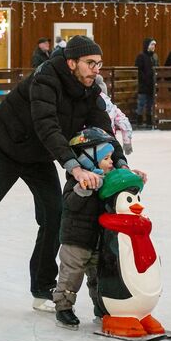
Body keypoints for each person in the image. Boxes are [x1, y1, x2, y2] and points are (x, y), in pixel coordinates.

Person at [0, 35, 144, 313]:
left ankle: (42, 287)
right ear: (72, 62)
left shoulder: (90, 92)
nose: (95, 69)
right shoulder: (45, 79)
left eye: (98, 64)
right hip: (4, 150)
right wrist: (73, 166)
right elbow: (46, 126)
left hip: (38, 158)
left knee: (55, 214)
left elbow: (104, 134)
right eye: (90, 63)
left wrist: (121, 164)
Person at [53, 127, 115, 329]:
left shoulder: (107, 180)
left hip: (97, 241)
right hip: (75, 241)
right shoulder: (76, 181)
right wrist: (83, 189)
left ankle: (102, 309)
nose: (111, 162)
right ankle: (63, 308)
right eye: (106, 158)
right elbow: (69, 205)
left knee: (99, 277)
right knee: (71, 276)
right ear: (90, 159)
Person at [95, 74, 133, 155]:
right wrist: (127, 142)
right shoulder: (111, 106)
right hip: (109, 142)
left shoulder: (83, 101)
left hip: (88, 143)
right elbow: (124, 121)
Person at [135, 38, 159, 128]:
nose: (153, 47)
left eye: (154, 45)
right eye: (152, 45)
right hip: (143, 84)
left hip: (152, 85)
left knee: (150, 104)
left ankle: (149, 121)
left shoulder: (155, 56)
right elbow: (138, 70)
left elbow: (157, 68)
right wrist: (144, 79)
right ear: (147, 45)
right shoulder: (141, 56)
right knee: (141, 103)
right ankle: (139, 121)